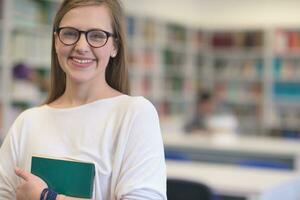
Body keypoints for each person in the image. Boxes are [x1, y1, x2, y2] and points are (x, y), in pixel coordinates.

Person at [0, 0, 167, 199]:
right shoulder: (27, 122)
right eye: (70, 33)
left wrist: (47, 197)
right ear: (56, 41)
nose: (81, 46)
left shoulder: (134, 114)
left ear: (115, 46)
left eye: (97, 36)